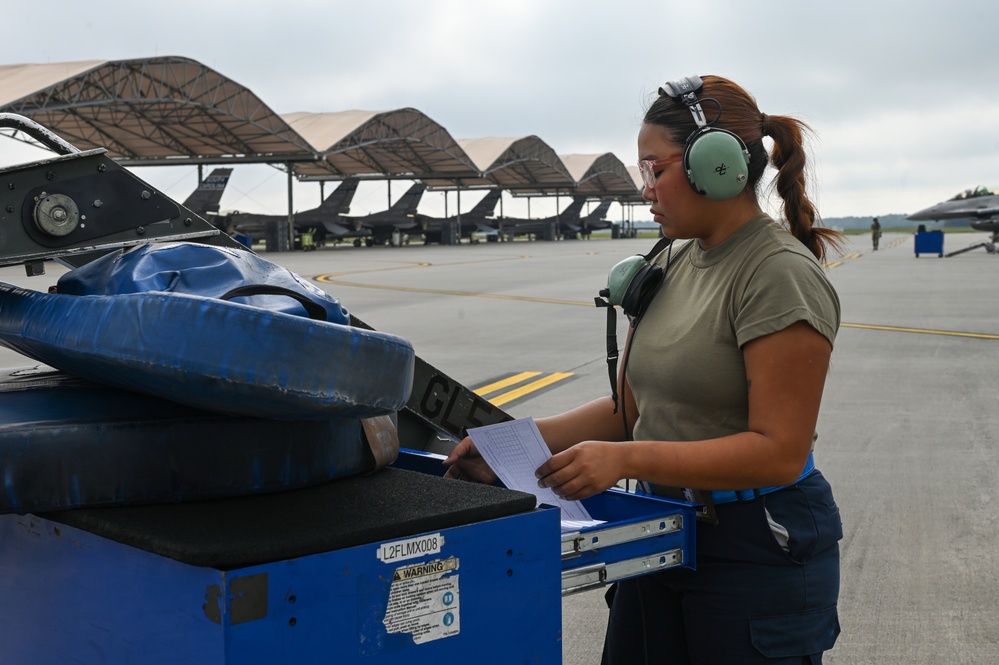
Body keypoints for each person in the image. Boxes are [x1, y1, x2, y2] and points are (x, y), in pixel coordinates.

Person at [444, 74, 844, 664]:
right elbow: (628, 409)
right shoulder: (673, 262)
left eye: (656, 170)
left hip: (757, 542)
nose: (646, 190)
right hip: (662, 528)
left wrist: (627, 459)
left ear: (718, 166)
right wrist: (511, 445)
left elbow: (778, 450)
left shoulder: (776, 273)